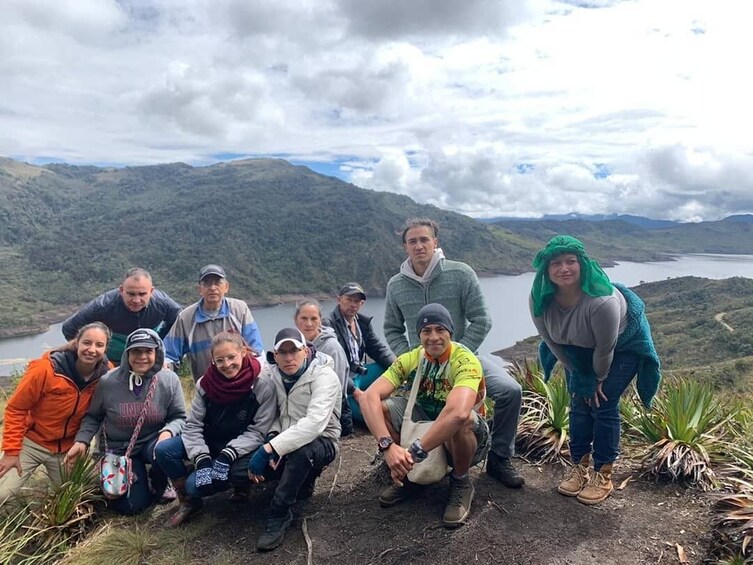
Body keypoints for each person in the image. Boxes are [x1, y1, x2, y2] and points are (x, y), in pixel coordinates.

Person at [383, 218, 524, 488]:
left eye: (425, 239)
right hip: (422, 365)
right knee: (391, 408)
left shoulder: (460, 274)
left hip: (465, 359)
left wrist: (459, 357)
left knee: (510, 390)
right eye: (412, 241)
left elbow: (481, 320)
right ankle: (409, 467)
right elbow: (391, 329)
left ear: (435, 242)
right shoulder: (396, 285)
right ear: (405, 247)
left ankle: (499, 458)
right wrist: (411, 362)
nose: (419, 246)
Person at [530, 235, 661, 505]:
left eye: (571, 262)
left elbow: (605, 349)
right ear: (547, 269)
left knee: (603, 402)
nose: (563, 268)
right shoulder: (539, 300)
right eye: (556, 263)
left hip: (621, 347)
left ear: (583, 265)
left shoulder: (602, 302)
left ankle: (604, 472)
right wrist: (580, 376)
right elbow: (552, 342)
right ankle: (578, 465)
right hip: (575, 350)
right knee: (579, 402)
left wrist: (598, 379)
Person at [361, 304, 490, 528]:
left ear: (450, 331)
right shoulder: (412, 358)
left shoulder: (465, 360)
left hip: (467, 439)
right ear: (418, 334)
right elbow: (368, 396)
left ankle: (460, 482)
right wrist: (387, 446)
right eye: (426, 331)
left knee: (462, 420)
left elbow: (458, 413)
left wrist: (415, 452)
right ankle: (411, 477)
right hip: (424, 427)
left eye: (440, 329)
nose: (434, 337)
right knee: (382, 408)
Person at [155, 332, 277, 527]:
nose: (226, 364)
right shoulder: (206, 384)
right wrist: (201, 459)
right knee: (163, 450)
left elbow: (259, 431)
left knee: (193, 485)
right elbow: (193, 425)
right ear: (212, 360)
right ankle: (189, 503)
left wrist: (227, 455)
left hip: (240, 448)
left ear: (243, 352)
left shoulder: (262, 384)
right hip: (210, 441)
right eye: (219, 360)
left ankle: (240, 486)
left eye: (231, 357)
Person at [64, 328, 187, 515]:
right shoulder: (108, 382)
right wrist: (82, 441)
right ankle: (137, 478)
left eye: (148, 351)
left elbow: (179, 416)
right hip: (120, 450)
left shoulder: (169, 380)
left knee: (162, 450)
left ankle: (160, 480)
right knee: (131, 507)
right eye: (136, 351)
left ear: (157, 353)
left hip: (153, 444)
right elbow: (93, 416)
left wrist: (168, 432)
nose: (142, 357)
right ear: (127, 353)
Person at [248, 328, 341, 552]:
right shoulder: (274, 376)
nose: (289, 358)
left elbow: (315, 424)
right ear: (275, 355)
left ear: (306, 351)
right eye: (283, 353)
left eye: (294, 351)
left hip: (323, 441)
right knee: (242, 471)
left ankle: (279, 512)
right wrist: (272, 437)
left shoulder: (324, 376)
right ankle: (301, 482)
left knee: (302, 453)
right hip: (286, 439)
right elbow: (280, 416)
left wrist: (270, 448)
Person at [0, 323, 112, 504]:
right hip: (31, 442)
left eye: (99, 345)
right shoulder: (46, 369)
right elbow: (16, 408)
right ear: (77, 343)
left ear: (106, 348)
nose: (92, 350)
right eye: (87, 343)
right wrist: (11, 452)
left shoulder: (106, 375)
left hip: (69, 449)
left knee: (74, 497)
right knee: (2, 494)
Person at [164, 264, 264, 380]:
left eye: (217, 282)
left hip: (242, 385)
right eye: (207, 283)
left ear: (226, 287)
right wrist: (165, 369)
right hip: (208, 388)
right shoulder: (186, 318)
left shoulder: (240, 309)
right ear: (200, 289)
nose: (212, 287)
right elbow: (169, 354)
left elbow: (256, 350)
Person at [62, 268, 182, 365]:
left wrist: (159, 342)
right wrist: (94, 354)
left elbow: (180, 322)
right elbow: (69, 328)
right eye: (131, 294)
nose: (136, 300)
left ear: (151, 292)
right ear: (121, 290)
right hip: (112, 362)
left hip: (145, 359)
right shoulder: (103, 305)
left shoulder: (163, 304)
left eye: (142, 294)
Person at [325, 282, 395, 430]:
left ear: (362, 303)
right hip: (344, 381)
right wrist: (355, 391)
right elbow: (335, 368)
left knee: (389, 370)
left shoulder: (362, 323)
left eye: (357, 301)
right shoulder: (329, 325)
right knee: (370, 417)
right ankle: (360, 403)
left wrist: (400, 367)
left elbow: (377, 349)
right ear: (339, 300)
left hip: (361, 374)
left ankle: (374, 398)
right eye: (349, 299)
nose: (353, 304)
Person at [294, 300, 352, 435]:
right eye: (304, 318)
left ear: (320, 321)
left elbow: (336, 389)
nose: (309, 324)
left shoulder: (332, 348)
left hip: (331, 412)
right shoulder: (293, 345)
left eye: (314, 319)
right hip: (302, 407)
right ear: (296, 320)